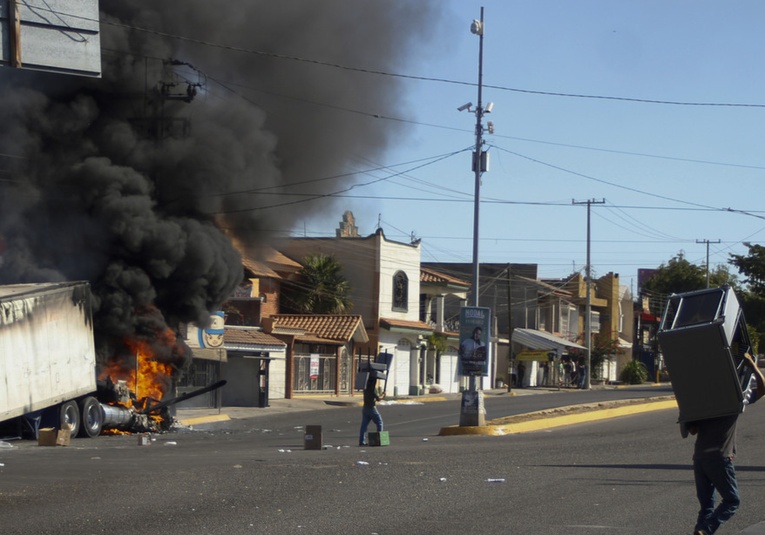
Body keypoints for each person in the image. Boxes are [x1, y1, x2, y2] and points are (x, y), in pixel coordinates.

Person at [687, 352, 765, 535]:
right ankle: (705, 529)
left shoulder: (702, 402)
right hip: (720, 457)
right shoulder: (734, 399)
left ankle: (702, 531)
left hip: (700, 458)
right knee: (732, 501)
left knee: (706, 506)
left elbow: (692, 430)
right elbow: (762, 389)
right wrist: (753, 366)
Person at [359, 374, 385, 446]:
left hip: (365, 408)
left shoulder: (366, 389)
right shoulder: (372, 389)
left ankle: (361, 441)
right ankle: (380, 440)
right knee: (379, 422)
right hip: (372, 409)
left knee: (364, 426)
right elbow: (378, 399)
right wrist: (382, 395)